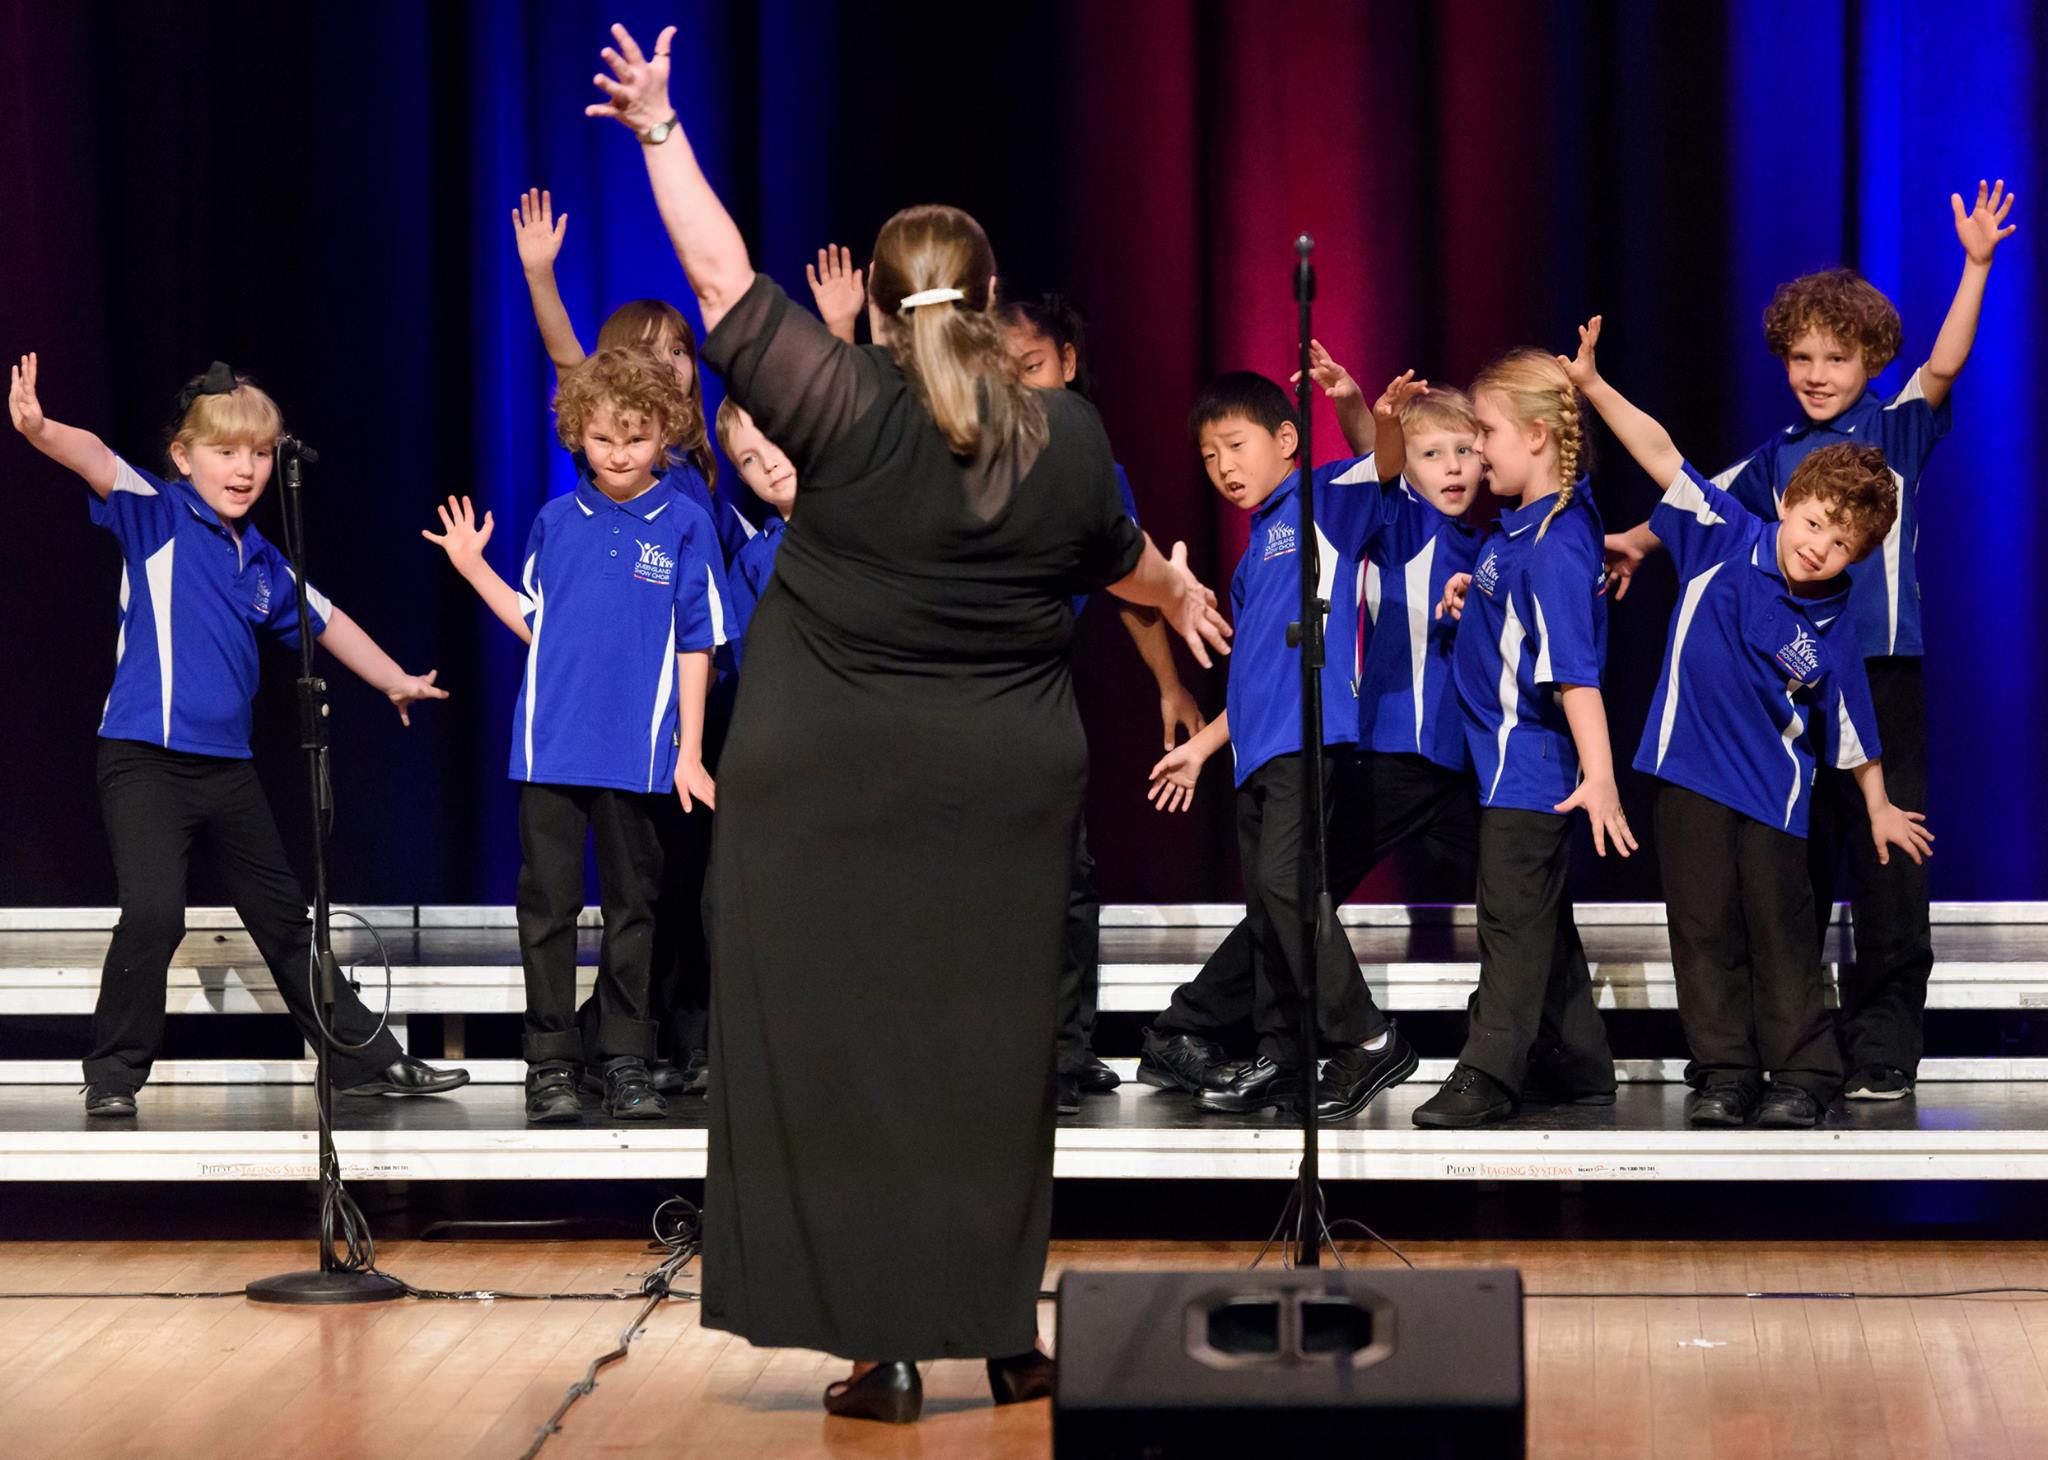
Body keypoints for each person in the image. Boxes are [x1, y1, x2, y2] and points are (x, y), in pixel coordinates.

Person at [585, 22, 1233, 1425]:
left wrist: (658, 127)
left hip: (823, 786)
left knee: (848, 1056)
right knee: (992, 1058)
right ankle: (1004, 1336)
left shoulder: (840, 402)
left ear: (875, 309)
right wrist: (1175, 585)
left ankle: (881, 1349)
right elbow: (1117, 558)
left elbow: (716, 276)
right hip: (1000, 791)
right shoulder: (1064, 434)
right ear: (994, 302)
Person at [1605, 181, 2015, 1101]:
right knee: (1791, 871)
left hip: (1880, 671)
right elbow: (1694, 494)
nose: (1818, 372)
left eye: (1837, 356)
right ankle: (1791, 1049)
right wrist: (1633, 540)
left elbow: (1945, 368)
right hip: (1789, 694)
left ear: (1870, 358)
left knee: (1884, 863)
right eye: (1801, 356)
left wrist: (1977, 265)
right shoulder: (1779, 453)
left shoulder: (1891, 429)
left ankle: (1882, 1046)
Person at [7, 354, 467, 1116]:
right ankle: (113, 1075)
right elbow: (95, 458)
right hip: (144, 760)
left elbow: (327, 620)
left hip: (227, 770)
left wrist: (392, 680)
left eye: (259, 453)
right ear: (184, 458)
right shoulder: (152, 510)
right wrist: (39, 427)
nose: (246, 469)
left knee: (287, 920)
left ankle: (362, 1061)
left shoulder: (260, 559)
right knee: (156, 911)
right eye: (226, 452)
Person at [1568, 316, 1933, 1127]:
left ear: (1858, 558)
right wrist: (1593, 385)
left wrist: (1875, 803)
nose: (1817, 547)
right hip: (1689, 772)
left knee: (1780, 927)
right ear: (1787, 502)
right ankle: (1725, 1071)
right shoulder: (1721, 533)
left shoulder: (1835, 622)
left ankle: (1803, 1071)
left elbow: (1851, 721)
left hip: (1775, 791)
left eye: (1840, 544)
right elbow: (1661, 454)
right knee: (1700, 925)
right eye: (1812, 524)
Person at [1143, 349, 1483, 1115]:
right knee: (1271, 905)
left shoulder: (1326, 500)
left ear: (1287, 441)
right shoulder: (1250, 556)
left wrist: (1374, 409)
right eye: (1208, 457)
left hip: (1310, 740)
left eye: (1236, 445)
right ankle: (1277, 1055)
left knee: (1289, 887)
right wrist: (1203, 746)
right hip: (1255, 754)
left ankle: (1367, 1040)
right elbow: (1253, 681)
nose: (1224, 466)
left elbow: (1383, 464)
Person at [423, 345, 728, 1124]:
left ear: (667, 432)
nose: (620, 453)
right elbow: (536, 623)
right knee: (549, 910)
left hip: (642, 754)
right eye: (603, 438)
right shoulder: (557, 519)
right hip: (551, 748)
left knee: (635, 909)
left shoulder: (687, 523)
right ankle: (550, 1062)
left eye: (636, 435)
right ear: (576, 437)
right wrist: (472, 568)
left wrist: (690, 752)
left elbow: (697, 644)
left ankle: (626, 1059)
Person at [999, 292, 1206, 1115]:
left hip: (1042, 693)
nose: (1023, 385)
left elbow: (1128, 583)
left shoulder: (1092, 463)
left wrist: (1168, 683)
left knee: (1069, 876)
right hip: (968, 690)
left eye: (1035, 367)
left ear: (1068, 362)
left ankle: (1066, 1046)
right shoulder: (972, 451)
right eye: (1004, 372)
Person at [1412, 348, 1630, 1129]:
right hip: (1501, 764)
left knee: (1508, 922)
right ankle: (1580, 1062)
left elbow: (1576, 673)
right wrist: (1476, 597)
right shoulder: (1524, 531)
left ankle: (1488, 1073)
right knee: (1537, 916)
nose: (1475, 452)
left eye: (1487, 435)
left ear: (1538, 437)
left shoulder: (1559, 542)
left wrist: (1599, 774)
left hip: (1528, 769)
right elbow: (1521, 613)